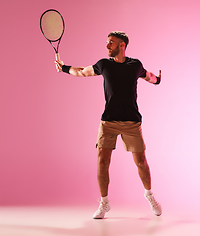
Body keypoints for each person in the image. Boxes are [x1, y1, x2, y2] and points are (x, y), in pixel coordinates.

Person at [55, 31, 162, 219]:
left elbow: (148, 76)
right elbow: (81, 71)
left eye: (111, 43)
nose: (107, 46)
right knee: (102, 162)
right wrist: (64, 68)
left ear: (122, 45)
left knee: (141, 162)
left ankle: (149, 195)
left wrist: (157, 80)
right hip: (108, 122)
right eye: (107, 42)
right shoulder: (103, 65)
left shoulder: (135, 65)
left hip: (131, 122)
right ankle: (104, 203)